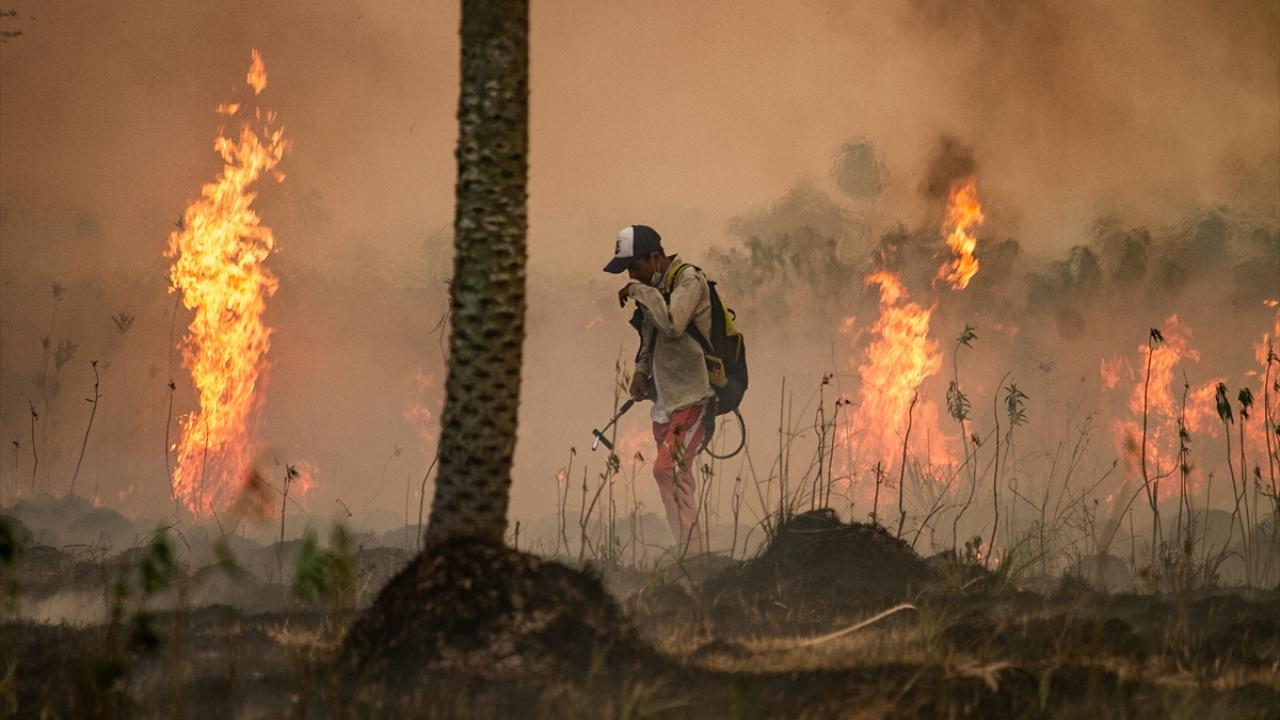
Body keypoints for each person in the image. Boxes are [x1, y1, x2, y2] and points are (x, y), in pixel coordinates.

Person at [604, 224, 713, 555]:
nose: (632, 276)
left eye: (634, 267)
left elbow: (672, 323)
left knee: (666, 470)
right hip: (665, 400)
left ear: (654, 258)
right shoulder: (654, 288)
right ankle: (689, 551)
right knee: (674, 477)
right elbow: (650, 336)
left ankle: (694, 553)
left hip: (693, 396)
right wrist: (639, 372)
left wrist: (638, 292)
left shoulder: (688, 280)